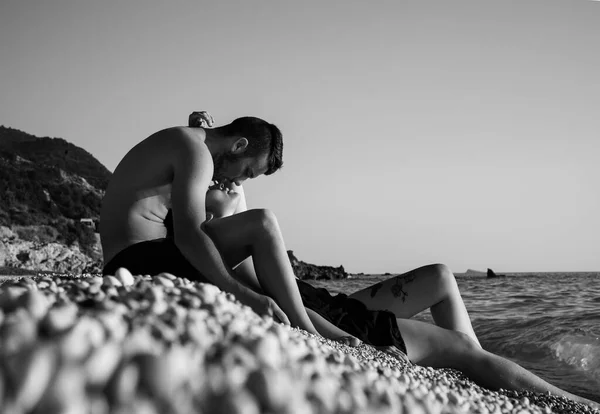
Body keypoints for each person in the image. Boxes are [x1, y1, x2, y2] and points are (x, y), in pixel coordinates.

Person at [100, 112, 598, 409]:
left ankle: (497, 377)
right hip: (141, 259)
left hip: (144, 256)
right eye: (242, 174)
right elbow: (192, 233)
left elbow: (200, 224)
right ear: (236, 145)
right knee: (265, 224)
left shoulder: (193, 155)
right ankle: (568, 403)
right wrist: (251, 299)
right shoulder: (197, 159)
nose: (233, 185)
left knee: (458, 337)